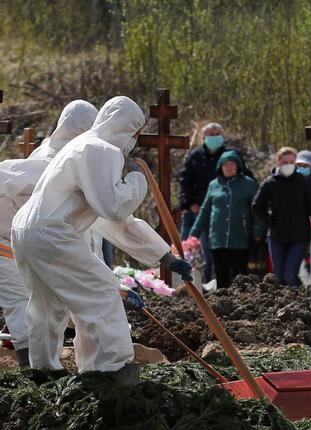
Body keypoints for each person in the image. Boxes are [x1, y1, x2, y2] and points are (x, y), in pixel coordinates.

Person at [11, 96, 192, 382]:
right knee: (102, 293)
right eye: (134, 132)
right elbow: (112, 207)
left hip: (25, 230)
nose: (133, 140)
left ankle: (43, 371)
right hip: (51, 232)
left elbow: (111, 221)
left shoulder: (79, 147)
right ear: (125, 127)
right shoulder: (101, 149)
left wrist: (163, 256)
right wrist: (137, 181)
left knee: (46, 305)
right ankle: (110, 370)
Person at [0, 100, 98, 367]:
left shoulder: (74, 162)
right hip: (5, 238)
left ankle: (42, 366)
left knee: (44, 307)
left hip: (32, 242)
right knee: (21, 302)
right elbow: (4, 175)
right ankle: (31, 370)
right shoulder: (49, 161)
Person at [253, 147, 311, 286]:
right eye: (285, 161)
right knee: (279, 277)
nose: (289, 165)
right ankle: (284, 305)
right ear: (278, 162)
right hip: (277, 237)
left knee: (290, 275)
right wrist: (270, 222)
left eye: (292, 162)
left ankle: (301, 300)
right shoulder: (270, 183)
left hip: (300, 237)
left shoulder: (304, 182)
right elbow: (256, 206)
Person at [190, 150, 263, 289]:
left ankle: (242, 303)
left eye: (232, 164)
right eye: (225, 164)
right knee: (221, 275)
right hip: (218, 239)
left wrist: (257, 231)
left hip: (240, 237)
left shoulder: (249, 184)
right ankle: (222, 304)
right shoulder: (213, 185)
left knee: (240, 276)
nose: (229, 167)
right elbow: (205, 210)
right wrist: (194, 233)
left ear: (238, 166)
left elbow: (257, 209)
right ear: (220, 166)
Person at [178, 123, 228, 282]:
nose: (214, 138)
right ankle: (184, 285)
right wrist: (191, 203)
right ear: (204, 138)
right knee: (187, 252)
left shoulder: (229, 157)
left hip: (219, 213)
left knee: (211, 255)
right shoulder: (195, 157)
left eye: (217, 134)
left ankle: (209, 285)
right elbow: (185, 182)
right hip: (195, 211)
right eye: (210, 135)